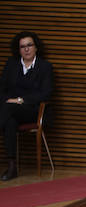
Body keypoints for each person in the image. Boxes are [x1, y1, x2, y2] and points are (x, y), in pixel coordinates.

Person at [1, 31, 53, 181]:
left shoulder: (45, 67)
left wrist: (20, 100)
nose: (26, 49)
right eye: (22, 47)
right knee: (9, 122)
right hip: (10, 110)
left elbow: (46, 94)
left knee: (7, 110)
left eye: (29, 45)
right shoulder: (11, 65)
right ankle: (12, 167)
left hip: (33, 110)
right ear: (18, 50)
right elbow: (2, 89)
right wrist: (9, 100)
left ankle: (11, 167)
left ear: (36, 47)